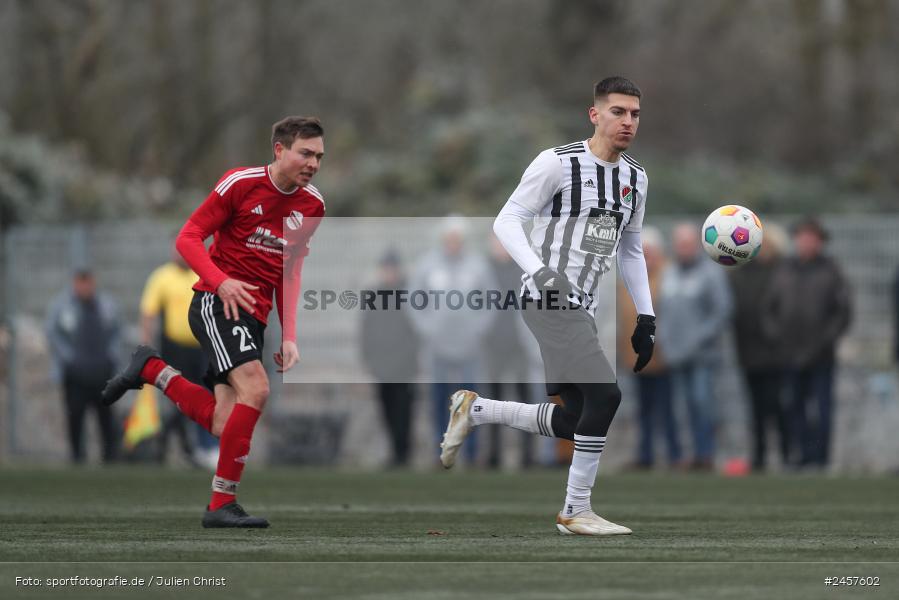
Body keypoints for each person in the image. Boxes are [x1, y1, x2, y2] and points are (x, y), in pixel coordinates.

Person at [440, 76, 654, 535]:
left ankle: (477, 410)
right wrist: (539, 271)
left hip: (585, 308)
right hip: (548, 297)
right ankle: (575, 510)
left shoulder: (635, 178)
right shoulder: (557, 163)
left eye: (635, 114)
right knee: (607, 395)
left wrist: (647, 315)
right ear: (594, 114)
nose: (628, 122)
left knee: (579, 419)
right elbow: (507, 220)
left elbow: (631, 250)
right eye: (618, 112)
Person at [101, 116, 326, 527]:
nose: (313, 163)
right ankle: (221, 504)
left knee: (225, 423)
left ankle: (152, 369)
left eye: (319, 156)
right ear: (280, 150)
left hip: (253, 318)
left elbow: (290, 272)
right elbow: (187, 237)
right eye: (305, 153)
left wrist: (289, 335)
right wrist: (221, 283)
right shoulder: (239, 184)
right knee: (257, 389)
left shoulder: (313, 206)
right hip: (215, 304)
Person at [762, 217, 851, 469]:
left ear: (820, 241)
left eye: (811, 237)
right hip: (789, 355)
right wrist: (777, 337)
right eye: (802, 237)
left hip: (821, 356)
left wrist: (824, 341)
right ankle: (798, 456)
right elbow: (769, 309)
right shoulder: (784, 269)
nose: (806, 242)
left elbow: (842, 313)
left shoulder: (831, 270)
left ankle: (820, 459)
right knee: (793, 408)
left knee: (822, 410)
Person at [409, 215, 496, 466]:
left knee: (470, 403)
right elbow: (414, 301)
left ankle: (470, 453)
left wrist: (478, 329)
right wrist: (427, 329)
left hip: (469, 347)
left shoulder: (478, 266)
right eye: (449, 238)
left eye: (457, 238)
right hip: (437, 347)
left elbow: (491, 301)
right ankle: (442, 452)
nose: (453, 243)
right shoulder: (427, 265)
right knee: (438, 400)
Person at [657, 223, 733, 471]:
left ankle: (706, 453)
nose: (683, 249)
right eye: (680, 244)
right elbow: (664, 312)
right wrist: (665, 341)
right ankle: (687, 454)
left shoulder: (711, 273)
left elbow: (722, 311)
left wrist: (697, 338)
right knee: (683, 407)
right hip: (676, 355)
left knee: (703, 403)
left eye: (688, 244)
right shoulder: (669, 273)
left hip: (703, 355)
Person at [139, 236, 218, 468]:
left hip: (203, 347)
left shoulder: (204, 274)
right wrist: (145, 346)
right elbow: (148, 313)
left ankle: (206, 448)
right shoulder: (162, 277)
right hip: (175, 349)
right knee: (180, 397)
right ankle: (180, 445)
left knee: (208, 395)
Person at [617, 226, 681, 470]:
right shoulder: (626, 280)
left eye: (649, 252)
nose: (645, 257)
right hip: (635, 356)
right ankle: (645, 454)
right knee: (642, 410)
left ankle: (674, 455)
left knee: (667, 409)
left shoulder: (669, 277)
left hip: (664, 355)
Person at [729, 224, 790, 471]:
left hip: (776, 353)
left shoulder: (783, 272)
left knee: (777, 406)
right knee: (755, 409)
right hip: (748, 351)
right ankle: (759, 456)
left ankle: (787, 454)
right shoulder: (739, 273)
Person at [46, 269, 122, 464]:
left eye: (88, 283)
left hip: (102, 372)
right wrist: (69, 358)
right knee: (75, 415)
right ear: (74, 284)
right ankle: (77, 456)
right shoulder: (63, 306)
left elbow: (117, 330)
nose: (85, 288)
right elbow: (53, 333)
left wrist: (111, 356)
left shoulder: (106, 305)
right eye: (81, 283)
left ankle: (109, 456)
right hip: (76, 374)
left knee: (105, 416)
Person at [359, 249, 420, 467]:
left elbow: (416, 330)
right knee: (386, 408)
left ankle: (403, 453)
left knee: (404, 409)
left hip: (403, 365)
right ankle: (394, 451)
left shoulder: (409, 294)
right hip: (382, 365)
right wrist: (369, 358)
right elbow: (366, 330)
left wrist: (410, 357)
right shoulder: (374, 296)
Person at [484, 234, 538, 469]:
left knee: (524, 402)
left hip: (519, 346)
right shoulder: (484, 270)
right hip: (494, 345)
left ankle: (528, 455)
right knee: (493, 403)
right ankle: (493, 456)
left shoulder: (523, 269)